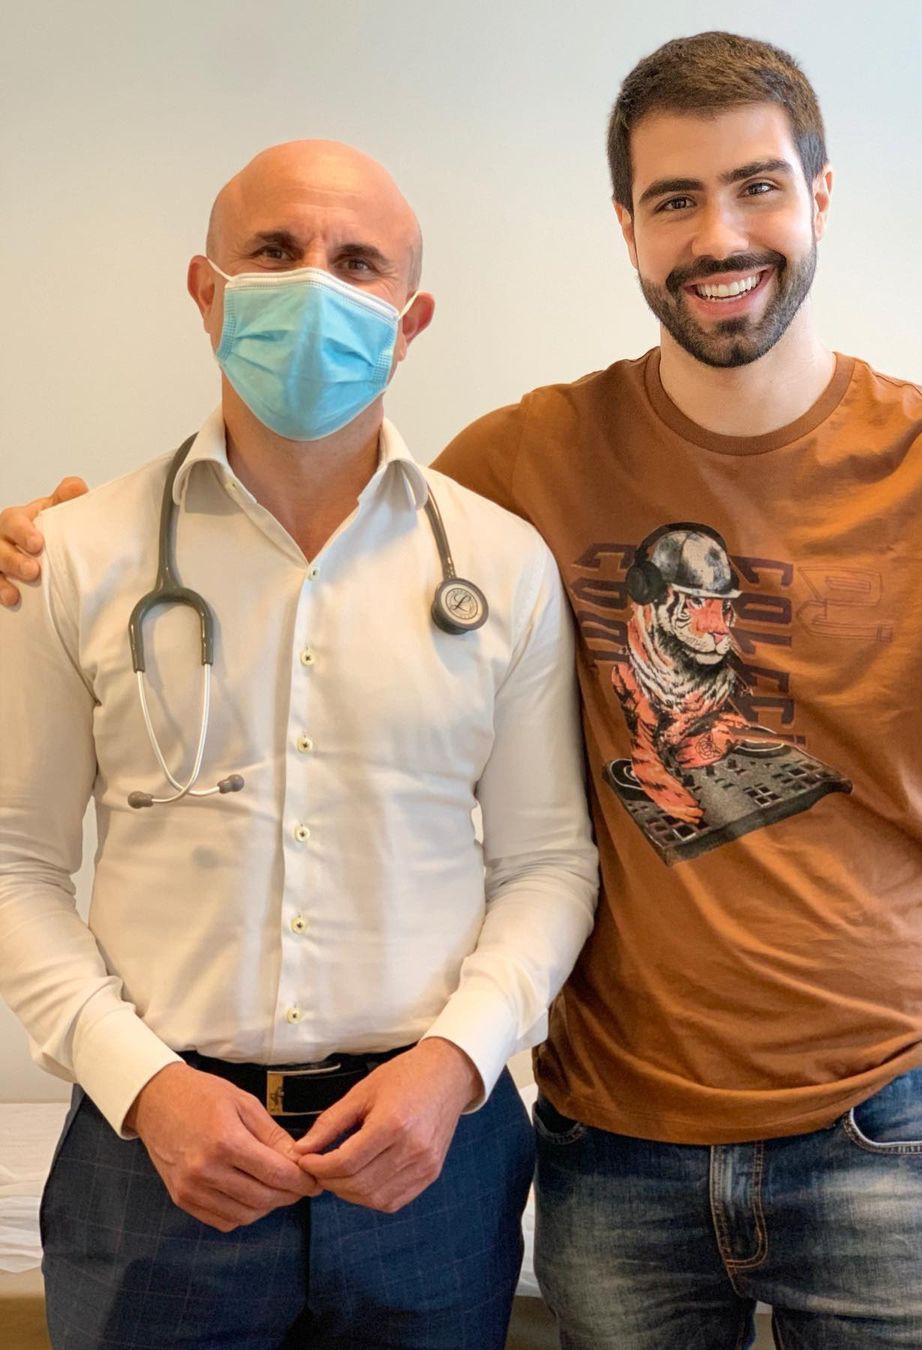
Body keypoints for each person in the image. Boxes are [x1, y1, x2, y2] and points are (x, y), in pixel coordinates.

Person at [4, 30, 922, 1350]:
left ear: (819, 195)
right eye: (674, 199)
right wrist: (59, 550)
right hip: (616, 1136)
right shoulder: (526, 464)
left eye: (756, 186)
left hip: (879, 1121)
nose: (718, 235)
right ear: (627, 227)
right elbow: (320, 524)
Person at [0, 139, 598, 1350]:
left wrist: (457, 1065)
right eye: (274, 252)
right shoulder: (74, 558)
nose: (315, 284)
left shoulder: (501, 565)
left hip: (430, 1148)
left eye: (358, 262)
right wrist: (143, 1084)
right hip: (154, 1154)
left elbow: (548, 863)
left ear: (410, 320)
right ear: (206, 291)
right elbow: (16, 862)